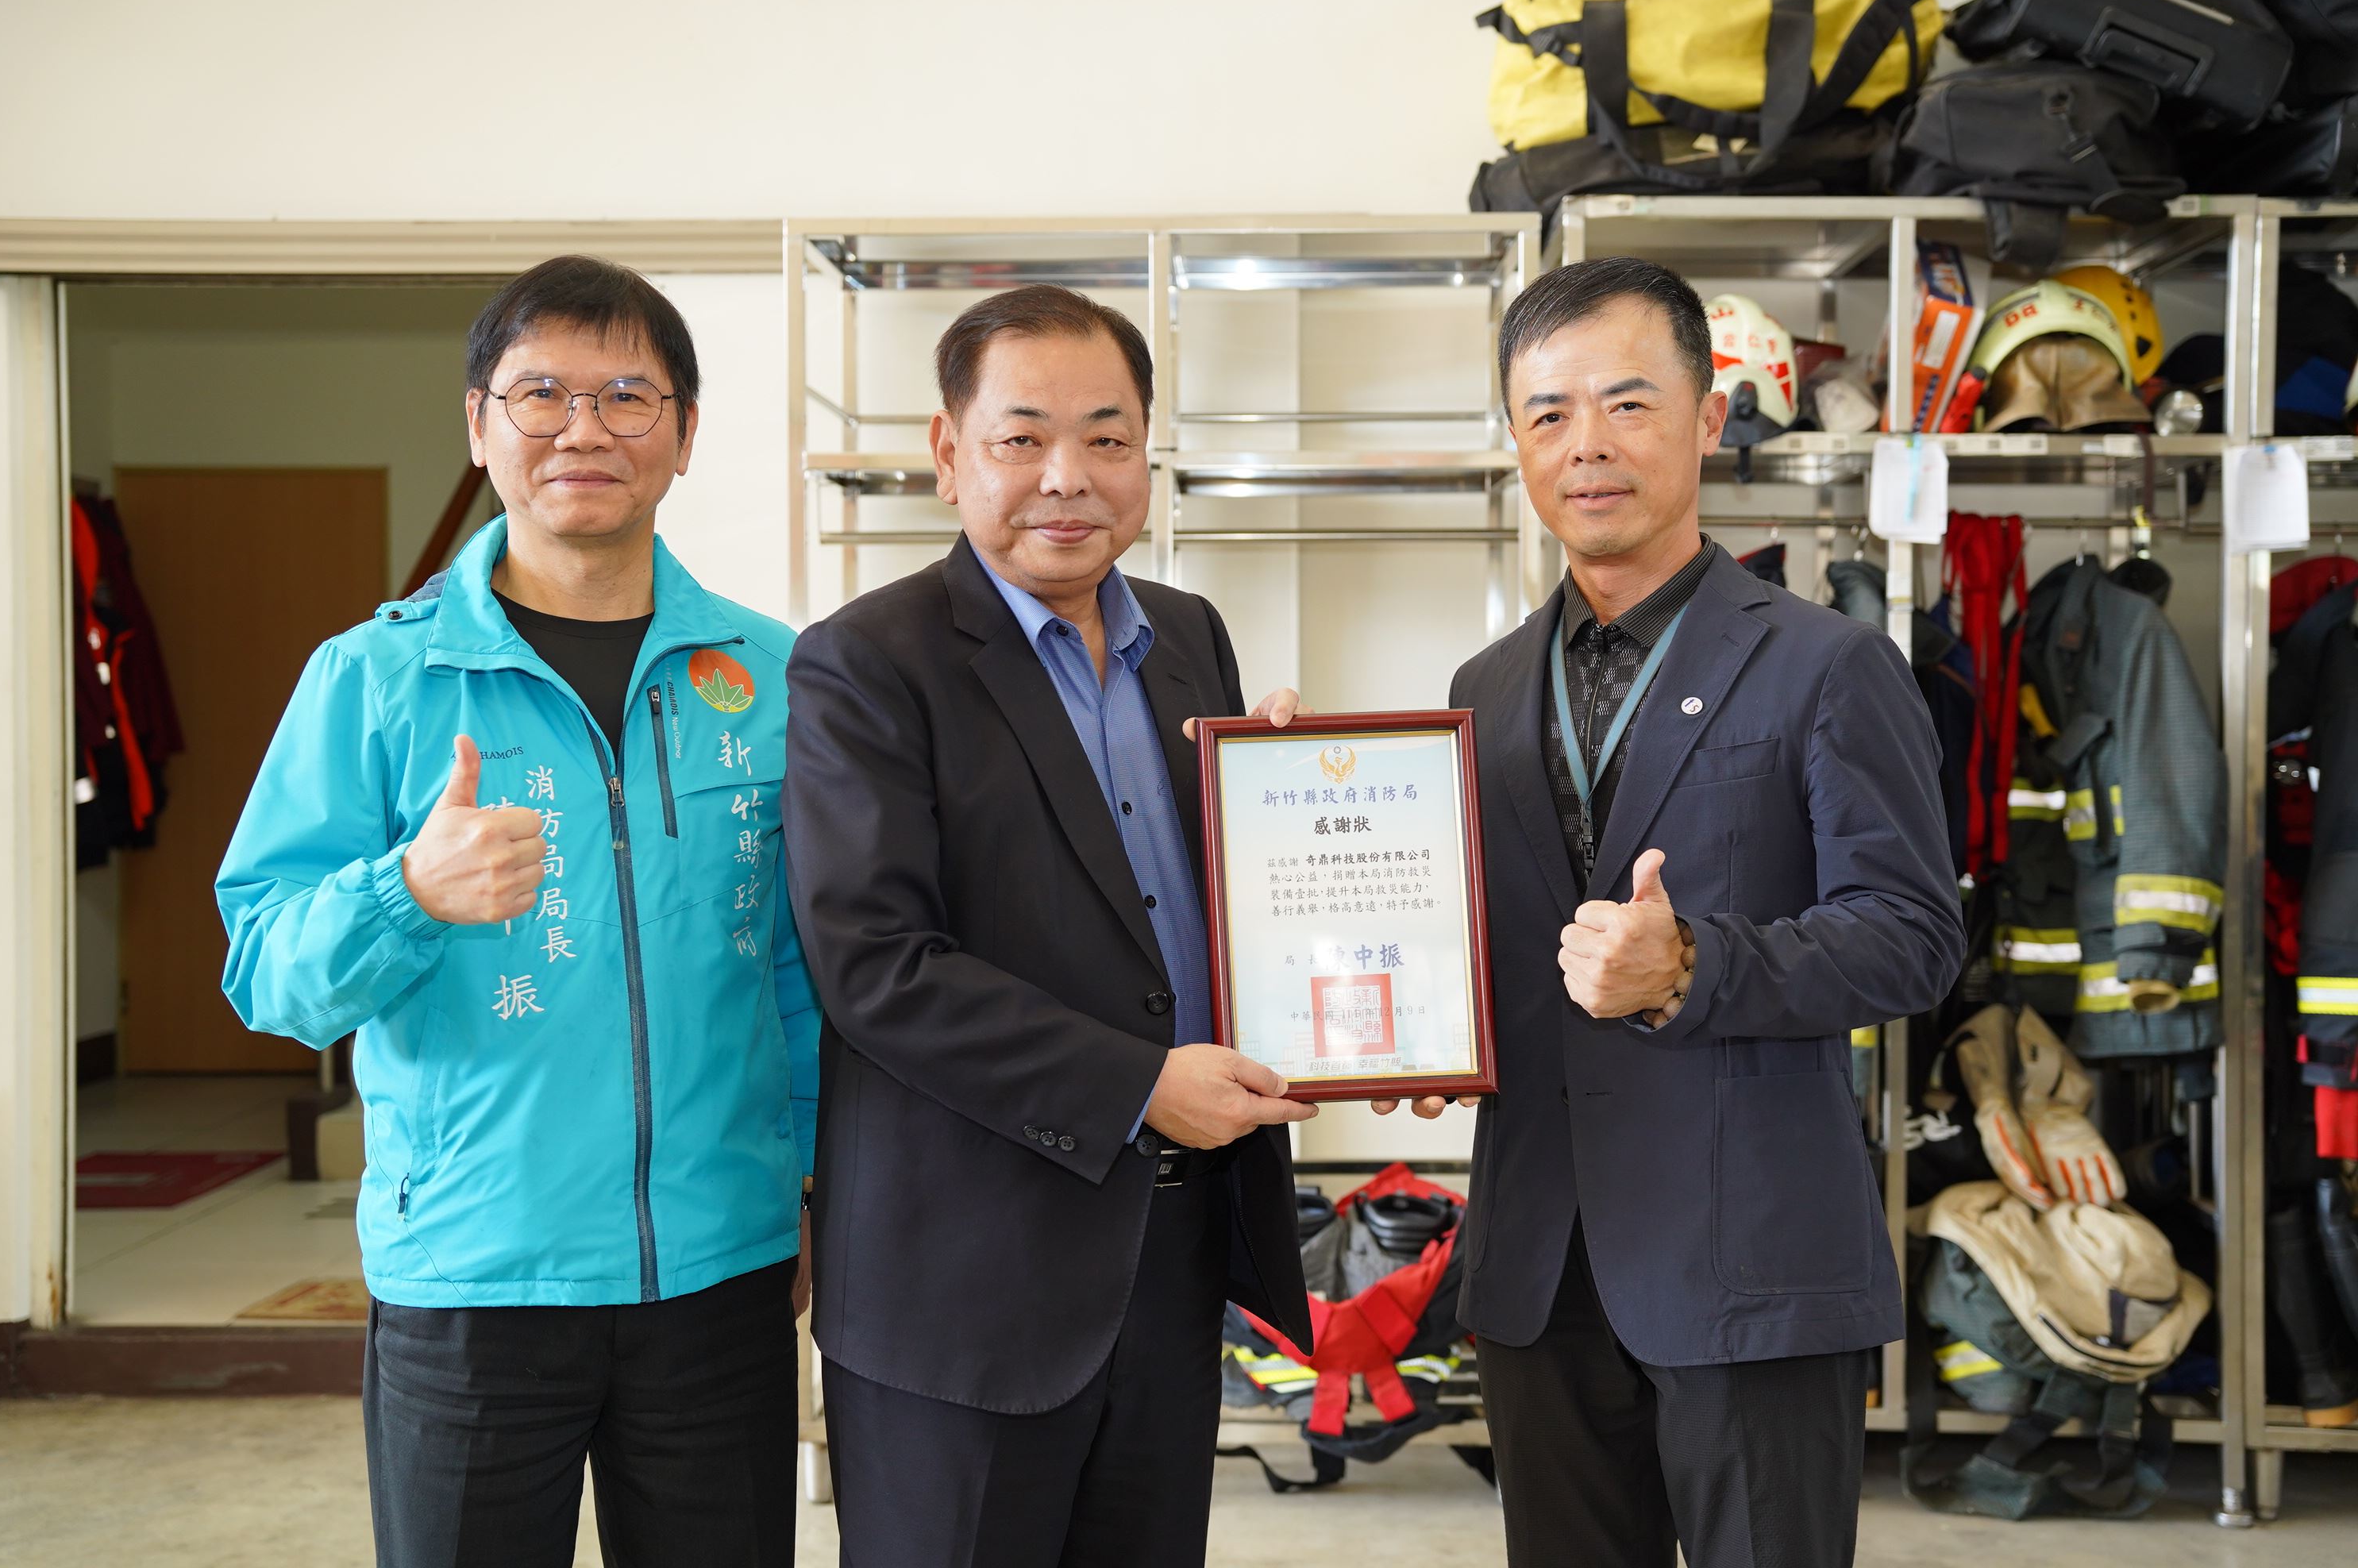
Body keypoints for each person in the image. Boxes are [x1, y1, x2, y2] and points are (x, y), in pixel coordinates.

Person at [218, 255, 819, 1568]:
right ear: (479, 425)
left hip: (718, 1270)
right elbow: (267, 972)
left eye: (627, 397)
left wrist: (820, 1186)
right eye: (541, 394)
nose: (583, 430)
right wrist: (405, 893)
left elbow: (802, 970)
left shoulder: (773, 680)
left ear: (685, 435)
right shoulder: (374, 678)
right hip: (473, 1275)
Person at [1379, 256, 1964, 1566]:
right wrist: (1417, 1028)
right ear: (1517, 441)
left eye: (1627, 403)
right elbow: (1483, 938)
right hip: (1540, 1270)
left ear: (1708, 418)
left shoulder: (1831, 663)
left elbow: (1914, 936)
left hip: (1750, 1265)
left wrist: (1694, 963)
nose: (1586, 444)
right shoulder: (1479, 689)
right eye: (1548, 413)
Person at [782, 284, 1316, 1568]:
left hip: (1171, 1252)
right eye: (1021, 438)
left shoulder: (1188, 638)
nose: (1067, 477)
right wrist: (1139, 1088)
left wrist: (1290, 808)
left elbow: (1204, 908)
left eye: (1107, 437)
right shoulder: (867, 661)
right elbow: (878, 967)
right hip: (964, 1286)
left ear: (1146, 454)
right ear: (948, 451)